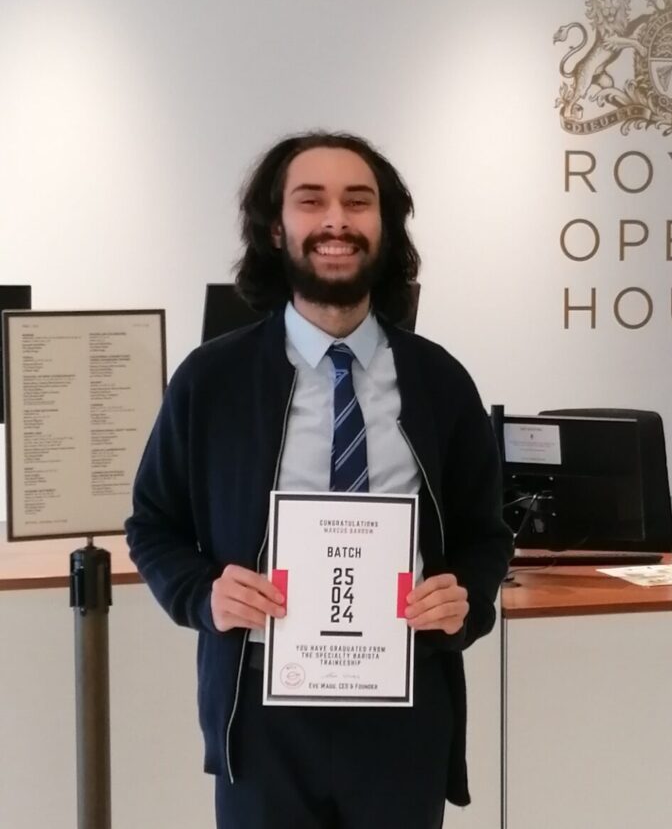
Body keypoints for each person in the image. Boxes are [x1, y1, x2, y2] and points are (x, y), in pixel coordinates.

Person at [125, 131, 513, 829]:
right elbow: (152, 522)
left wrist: (467, 600)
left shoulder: (439, 381)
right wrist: (201, 593)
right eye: (312, 201)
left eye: (358, 202)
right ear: (277, 227)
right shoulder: (211, 380)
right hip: (262, 710)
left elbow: (486, 534)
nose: (336, 220)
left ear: (384, 229)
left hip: (405, 704)